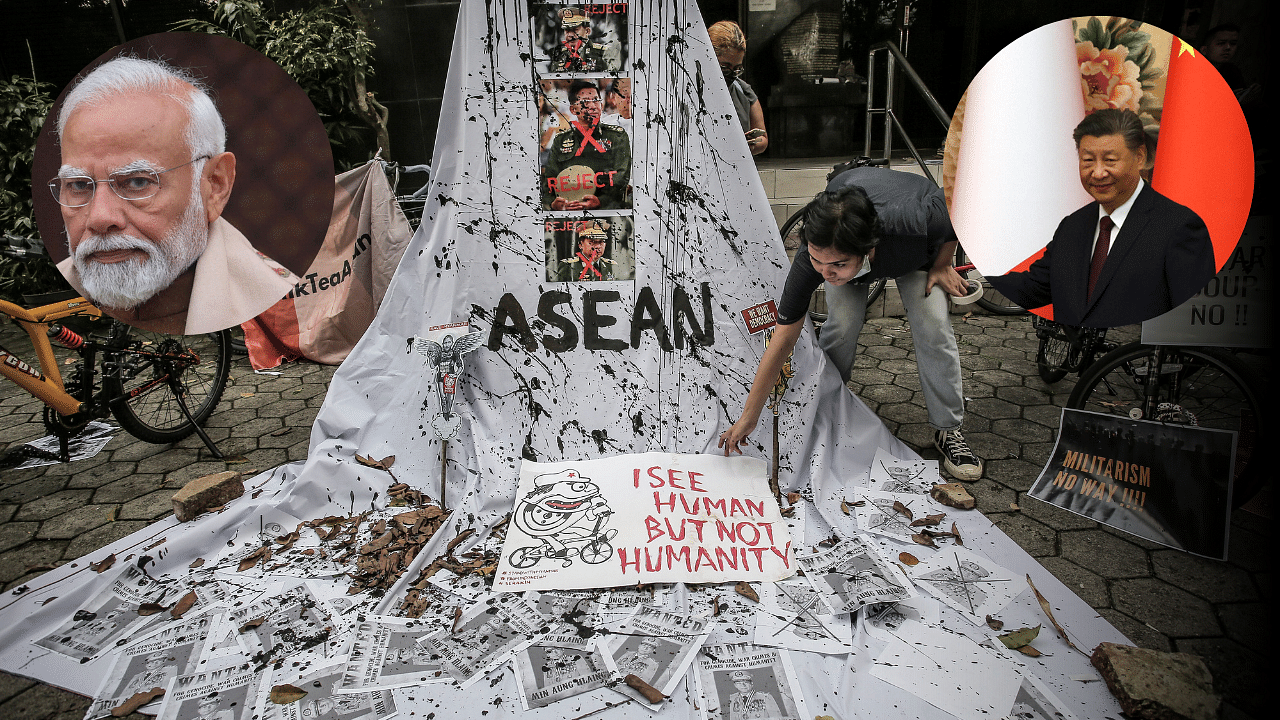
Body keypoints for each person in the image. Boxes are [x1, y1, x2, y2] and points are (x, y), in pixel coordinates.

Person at [718, 169, 984, 482]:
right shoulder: (813, 260)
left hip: (915, 255)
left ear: (868, 249)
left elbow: (957, 205)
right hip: (856, 219)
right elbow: (782, 340)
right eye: (818, 261)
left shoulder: (914, 222)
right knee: (842, 324)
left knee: (934, 326)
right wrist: (749, 417)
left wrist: (942, 263)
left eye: (838, 265)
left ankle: (947, 428)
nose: (825, 273)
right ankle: (829, 405)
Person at [50, 56, 298, 335]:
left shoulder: (287, 303)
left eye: (137, 182)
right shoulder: (55, 296)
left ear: (215, 185)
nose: (99, 218)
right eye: (79, 185)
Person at [989, 109, 1215, 328]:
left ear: (1139, 157)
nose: (1097, 173)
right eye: (1088, 160)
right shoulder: (1073, 225)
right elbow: (1034, 287)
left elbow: (1189, 321)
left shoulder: (1179, 227)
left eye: (1110, 160)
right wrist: (971, 286)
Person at [541, 81, 631, 210]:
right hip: (569, 212)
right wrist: (553, 204)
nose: (593, 106)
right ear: (573, 109)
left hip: (607, 211)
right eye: (585, 102)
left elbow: (622, 180)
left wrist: (601, 201)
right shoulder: (561, 140)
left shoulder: (617, 136)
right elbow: (550, 181)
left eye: (596, 100)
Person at [708, 21, 768, 156]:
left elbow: (763, 138)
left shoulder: (743, 91)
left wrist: (749, 147)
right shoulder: (688, 90)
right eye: (724, 67)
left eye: (737, 68)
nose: (731, 73)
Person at [548, 7, 608, 73]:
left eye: (575, 30)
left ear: (587, 31)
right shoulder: (560, 55)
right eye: (567, 30)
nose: (570, 34)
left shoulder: (602, 53)